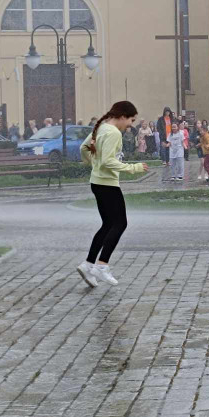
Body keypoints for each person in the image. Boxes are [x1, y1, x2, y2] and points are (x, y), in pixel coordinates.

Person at [76, 101, 148, 287]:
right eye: (131, 120)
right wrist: (134, 168)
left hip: (98, 183)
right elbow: (108, 161)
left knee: (108, 224)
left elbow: (83, 148)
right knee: (120, 223)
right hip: (107, 185)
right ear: (123, 115)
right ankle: (101, 265)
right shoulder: (113, 132)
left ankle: (87, 264)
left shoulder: (101, 127)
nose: (130, 124)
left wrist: (94, 165)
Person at [157, 108, 174, 181]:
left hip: (170, 135)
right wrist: (161, 134)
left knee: (168, 149)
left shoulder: (171, 118)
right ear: (164, 112)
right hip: (163, 136)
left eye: (168, 112)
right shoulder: (161, 119)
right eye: (166, 112)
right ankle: (163, 160)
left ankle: (168, 161)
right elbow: (159, 128)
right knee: (163, 148)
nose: (167, 113)